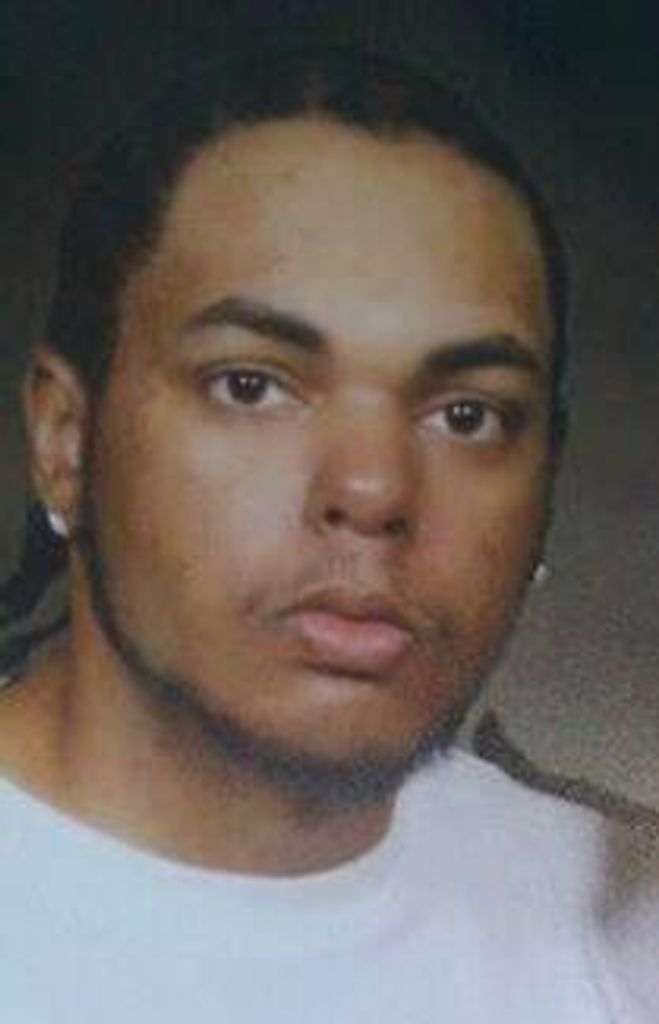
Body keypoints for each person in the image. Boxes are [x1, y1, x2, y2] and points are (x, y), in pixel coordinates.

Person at [0, 41, 642, 1021]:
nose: (372, 489)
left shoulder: (611, 926)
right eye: (250, 386)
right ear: (64, 439)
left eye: (466, 414)